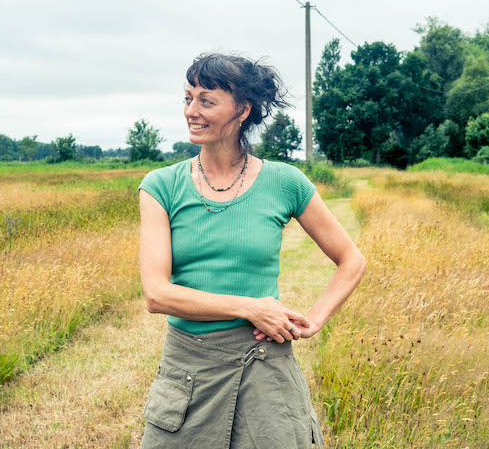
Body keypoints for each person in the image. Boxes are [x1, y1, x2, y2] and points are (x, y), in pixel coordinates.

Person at [137, 52, 366, 448]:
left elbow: (351, 261)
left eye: (206, 100)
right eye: (188, 98)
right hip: (189, 371)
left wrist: (314, 319)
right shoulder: (161, 186)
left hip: (266, 369)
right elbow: (157, 295)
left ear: (242, 109)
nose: (192, 110)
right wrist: (248, 307)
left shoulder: (285, 182)